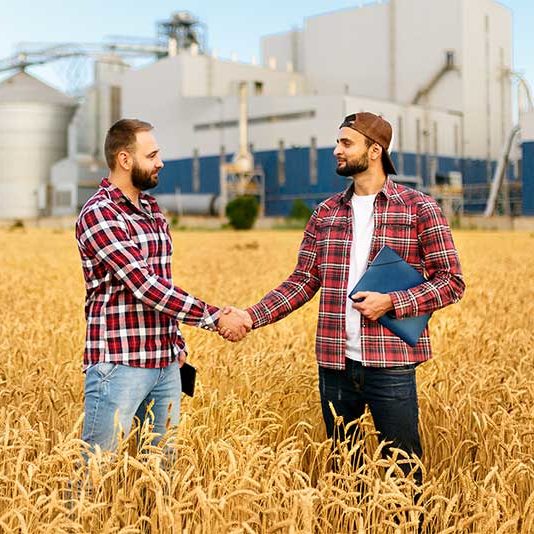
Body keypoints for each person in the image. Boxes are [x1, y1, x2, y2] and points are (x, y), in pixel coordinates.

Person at [221, 112, 465, 487]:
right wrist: (251, 316)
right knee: (342, 474)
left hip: (391, 365)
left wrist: (392, 302)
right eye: (338, 142)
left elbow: (451, 281)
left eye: (345, 143)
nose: (336, 150)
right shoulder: (325, 213)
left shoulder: (419, 208)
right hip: (335, 363)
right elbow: (302, 281)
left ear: (374, 151)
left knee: (404, 473)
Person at [75, 118, 251, 454]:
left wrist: (176, 342)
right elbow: (145, 286)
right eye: (152, 155)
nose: (160, 162)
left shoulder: (153, 210)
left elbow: (163, 281)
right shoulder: (100, 213)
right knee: (94, 471)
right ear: (125, 160)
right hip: (120, 363)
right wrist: (216, 317)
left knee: (161, 473)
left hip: (166, 364)